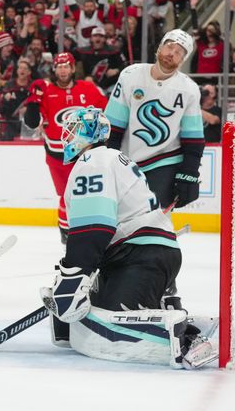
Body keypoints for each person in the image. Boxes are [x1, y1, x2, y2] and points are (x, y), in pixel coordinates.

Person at [40, 107, 217, 370]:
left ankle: (188, 338)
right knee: (92, 313)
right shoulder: (111, 158)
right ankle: (172, 311)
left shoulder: (93, 162)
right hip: (145, 252)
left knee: (108, 325)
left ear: (90, 134)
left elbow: (94, 227)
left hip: (139, 255)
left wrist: (74, 274)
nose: (67, 135)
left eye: (74, 130)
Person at [104, 29, 204, 210]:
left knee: (152, 218)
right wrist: (107, 162)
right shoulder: (130, 76)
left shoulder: (189, 89)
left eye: (179, 52)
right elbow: (113, 128)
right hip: (128, 160)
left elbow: (193, 140)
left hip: (165, 160)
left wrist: (189, 172)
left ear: (183, 60)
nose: (172, 53)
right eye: (169, 47)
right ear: (160, 47)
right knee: (121, 216)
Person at [24, 53, 108, 243]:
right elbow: (32, 123)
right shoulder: (46, 91)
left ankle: (92, 228)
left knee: (89, 193)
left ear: (72, 68)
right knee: (67, 195)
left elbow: (107, 111)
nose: (62, 70)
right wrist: (32, 100)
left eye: (66, 66)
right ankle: (66, 232)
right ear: (54, 69)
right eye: (59, 66)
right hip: (57, 156)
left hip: (85, 154)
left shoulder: (89, 88)